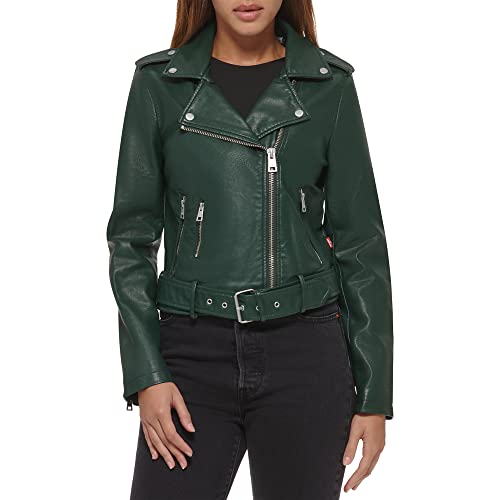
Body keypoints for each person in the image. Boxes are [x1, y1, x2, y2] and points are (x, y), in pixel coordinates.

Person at [106, 1, 393, 498]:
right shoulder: (159, 85)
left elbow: (360, 245)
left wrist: (373, 395)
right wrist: (146, 373)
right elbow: (131, 241)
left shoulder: (330, 86)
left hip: (305, 353)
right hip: (190, 354)